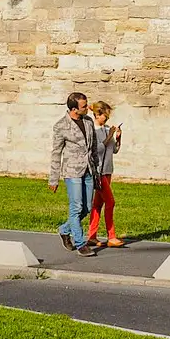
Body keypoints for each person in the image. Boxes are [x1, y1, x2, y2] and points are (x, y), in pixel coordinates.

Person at [47, 90, 94, 252]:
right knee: (76, 207)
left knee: (87, 208)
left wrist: (97, 170)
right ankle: (81, 244)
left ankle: (64, 230)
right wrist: (53, 179)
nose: (88, 108)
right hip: (72, 171)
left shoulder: (88, 121)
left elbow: (92, 148)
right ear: (74, 109)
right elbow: (56, 153)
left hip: (88, 170)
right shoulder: (61, 126)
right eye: (84, 106)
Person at [83, 100, 123, 248]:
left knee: (98, 204)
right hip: (98, 172)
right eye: (104, 116)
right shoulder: (92, 130)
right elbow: (97, 150)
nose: (106, 119)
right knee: (110, 202)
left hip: (107, 170)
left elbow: (114, 150)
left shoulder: (107, 129)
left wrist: (118, 138)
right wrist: (109, 137)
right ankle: (111, 236)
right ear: (97, 114)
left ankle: (91, 236)